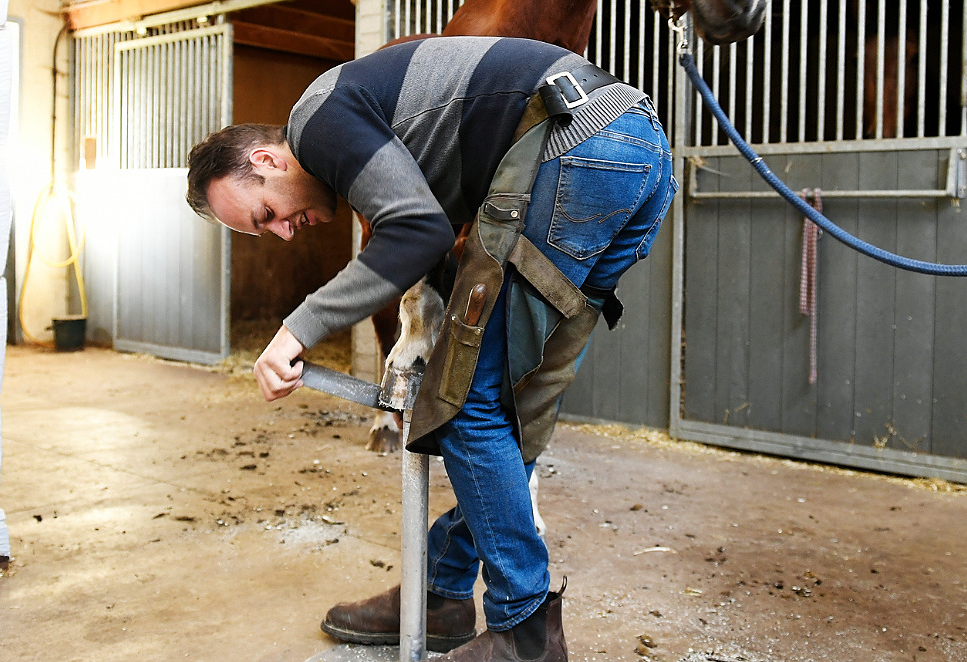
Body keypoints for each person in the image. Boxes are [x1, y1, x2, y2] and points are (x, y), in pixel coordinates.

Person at [186, 36, 676, 662]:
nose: (282, 233)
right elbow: (441, 235)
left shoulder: (318, 120)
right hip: (635, 145)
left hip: (574, 150)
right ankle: (441, 590)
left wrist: (298, 328)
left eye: (264, 215)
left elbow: (417, 230)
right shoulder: (378, 133)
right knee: (515, 405)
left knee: (465, 403)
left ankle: (524, 630)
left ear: (267, 159)